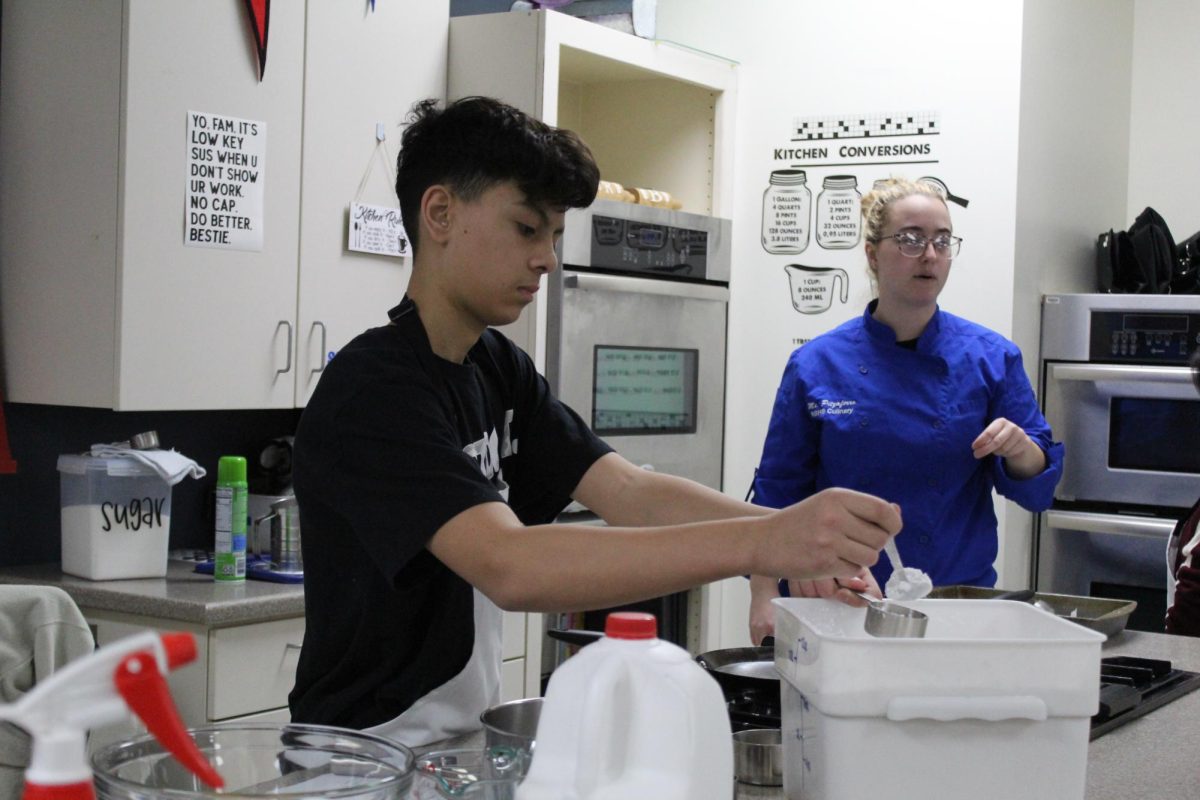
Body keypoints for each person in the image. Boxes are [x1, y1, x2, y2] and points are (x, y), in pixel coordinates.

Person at [287, 96, 903, 748]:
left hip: (450, 748)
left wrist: (791, 536)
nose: (548, 259)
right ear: (440, 213)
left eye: (554, 235)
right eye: (527, 229)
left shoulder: (496, 366)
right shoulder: (375, 390)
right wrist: (762, 546)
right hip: (357, 760)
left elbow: (629, 492)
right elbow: (510, 564)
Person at [746, 177, 1064, 645]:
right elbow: (777, 490)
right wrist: (762, 593)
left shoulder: (991, 358)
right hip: (837, 596)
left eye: (942, 241)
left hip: (957, 601)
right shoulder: (816, 363)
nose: (930, 255)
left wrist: (1020, 449)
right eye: (911, 239)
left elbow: (1039, 491)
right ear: (873, 254)